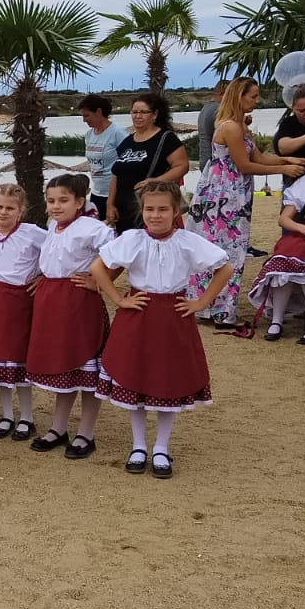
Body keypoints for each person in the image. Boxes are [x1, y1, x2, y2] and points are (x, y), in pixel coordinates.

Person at [91, 181, 231, 478]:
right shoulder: (133, 239)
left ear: (176, 210)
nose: (156, 215)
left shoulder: (187, 241)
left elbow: (225, 268)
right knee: (136, 377)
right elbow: (97, 267)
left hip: (173, 318)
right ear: (142, 211)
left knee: (168, 381)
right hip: (138, 316)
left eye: (163, 209)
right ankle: (139, 445)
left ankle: (161, 448)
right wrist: (118, 299)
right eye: (150, 209)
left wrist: (201, 302)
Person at [187, 76, 305, 330]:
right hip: (225, 195)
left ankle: (212, 308)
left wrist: (289, 161)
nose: (257, 100)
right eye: (253, 96)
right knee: (230, 250)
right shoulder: (231, 127)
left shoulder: (240, 125)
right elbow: (245, 165)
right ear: (239, 97)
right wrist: (284, 169)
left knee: (225, 249)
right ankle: (222, 312)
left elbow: (259, 157)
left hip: (233, 192)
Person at [24, 173, 113, 458]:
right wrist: (44, 276)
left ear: (79, 202)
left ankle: (86, 433)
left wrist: (99, 281)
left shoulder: (92, 228)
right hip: (53, 302)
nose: (56, 206)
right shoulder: (53, 225)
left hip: (79, 303)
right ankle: (58, 428)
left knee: (85, 367)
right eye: (51, 201)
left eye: (63, 200)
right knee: (65, 366)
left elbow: (118, 255)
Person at [0, 183, 46, 440]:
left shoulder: (33, 234)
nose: (3, 212)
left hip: (21, 303)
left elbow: (56, 252)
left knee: (18, 360)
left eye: (9, 208)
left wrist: (43, 277)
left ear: (21, 210)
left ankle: (27, 417)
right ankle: (6, 414)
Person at [107, 94, 190, 231]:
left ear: (154, 114)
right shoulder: (127, 142)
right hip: (123, 210)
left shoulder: (166, 139)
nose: (137, 116)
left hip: (150, 208)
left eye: (143, 112)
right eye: (134, 112)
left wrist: (156, 181)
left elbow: (182, 166)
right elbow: (116, 174)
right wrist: (110, 203)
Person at [248, 172, 305, 341]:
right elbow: (284, 220)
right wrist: (303, 229)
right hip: (304, 234)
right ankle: (277, 320)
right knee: (284, 256)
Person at [79, 95, 125, 220]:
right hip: (97, 192)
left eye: (87, 115)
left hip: (116, 194)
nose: (84, 120)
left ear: (99, 112)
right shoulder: (89, 135)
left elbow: (126, 164)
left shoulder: (118, 133)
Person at [270, 85, 305, 189]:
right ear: (294, 109)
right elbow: (283, 148)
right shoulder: (289, 123)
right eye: (302, 111)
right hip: (295, 182)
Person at [197, 81, 225, 172]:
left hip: (205, 160)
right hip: (215, 163)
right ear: (222, 94)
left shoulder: (206, 108)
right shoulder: (219, 110)